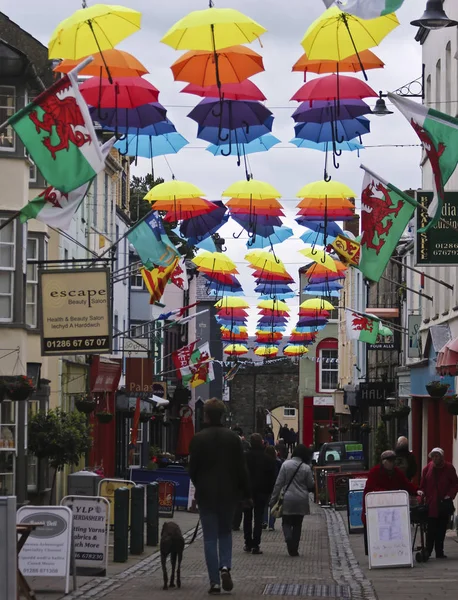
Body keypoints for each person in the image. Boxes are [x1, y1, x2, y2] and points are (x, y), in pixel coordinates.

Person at [189, 398, 251, 594]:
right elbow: (242, 469)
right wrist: (246, 493)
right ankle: (225, 566)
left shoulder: (198, 439)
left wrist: (199, 485)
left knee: (209, 538)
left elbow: (192, 470)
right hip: (229, 494)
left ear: (206, 415)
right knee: (225, 532)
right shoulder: (233, 438)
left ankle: (214, 581)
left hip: (207, 494)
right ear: (222, 414)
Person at [362, 450, 419, 555]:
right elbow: (371, 487)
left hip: (392, 506)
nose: (392, 463)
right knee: (376, 527)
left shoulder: (397, 472)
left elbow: (406, 484)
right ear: (383, 462)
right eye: (390, 461)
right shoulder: (374, 472)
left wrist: (416, 490)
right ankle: (375, 551)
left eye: (393, 461)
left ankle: (394, 550)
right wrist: (387, 493)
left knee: (392, 527)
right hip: (376, 505)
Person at [270, 444, 314, 557]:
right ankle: (294, 548)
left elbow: (278, 484)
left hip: (287, 498)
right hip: (301, 499)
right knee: (298, 524)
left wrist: (273, 499)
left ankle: (288, 538)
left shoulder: (285, 465)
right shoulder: (306, 467)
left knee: (286, 522)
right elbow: (310, 484)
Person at [420, 447, 458, 559]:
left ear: (442, 457)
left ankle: (439, 551)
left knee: (441, 528)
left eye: (437, 456)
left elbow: (455, 484)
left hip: (443, 503)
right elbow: (423, 485)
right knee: (431, 528)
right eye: (433, 456)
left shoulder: (449, 468)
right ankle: (428, 550)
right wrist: (422, 494)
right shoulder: (427, 469)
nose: (435, 458)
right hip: (431, 503)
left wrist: (449, 495)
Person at [242, 433, 277, 554]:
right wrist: (269, 490)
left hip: (247, 491)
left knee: (247, 517)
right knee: (258, 518)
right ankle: (256, 544)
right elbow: (272, 477)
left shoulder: (245, 457)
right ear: (262, 443)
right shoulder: (268, 459)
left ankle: (247, 542)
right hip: (262, 492)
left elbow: (240, 474)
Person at [264, 445, 283, 531]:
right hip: (275, 485)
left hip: (265, 485)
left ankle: (264, 521)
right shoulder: (278, 462)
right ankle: (271, 524)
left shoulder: (263, 461)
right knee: (273, 504)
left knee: (264, 504)